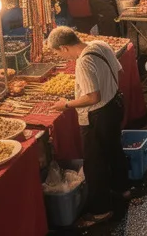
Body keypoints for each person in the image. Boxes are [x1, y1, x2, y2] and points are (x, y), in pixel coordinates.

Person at [44, 27, 128, 227]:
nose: (61, 57)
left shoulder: (83, 62)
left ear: (64, 48)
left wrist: (65, 104)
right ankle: (122, 189)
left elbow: (92, 97)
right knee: (114, 149)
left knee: (94, 164)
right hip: (115, 104)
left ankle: (100, 211)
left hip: (98, 115)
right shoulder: (100, 44)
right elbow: (119, 70)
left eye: (58, 53)